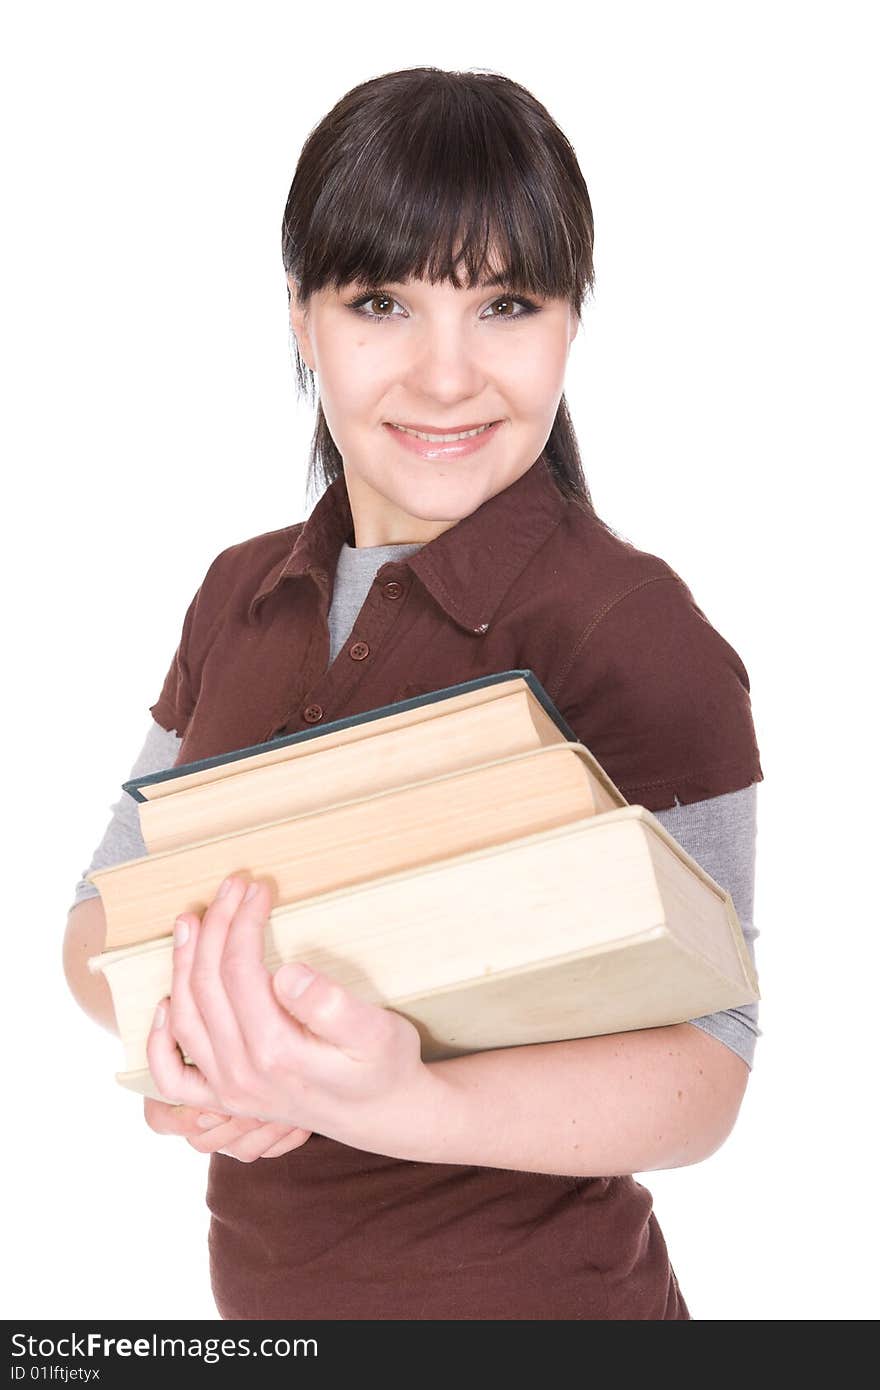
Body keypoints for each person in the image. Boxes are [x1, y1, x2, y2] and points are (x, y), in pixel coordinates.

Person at [63, 66, 764, 1320]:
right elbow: (99, 919)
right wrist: (189, 1037)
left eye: (505, 303)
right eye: (381, 300)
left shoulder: (637, 634)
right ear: (301, 316)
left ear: (570, 321)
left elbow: (708, 1071)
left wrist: (402, 1101)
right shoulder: (237, 593)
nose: (447, 378)